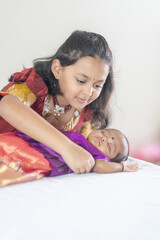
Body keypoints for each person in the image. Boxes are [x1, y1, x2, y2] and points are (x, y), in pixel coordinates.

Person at [0, 30, 114, 174]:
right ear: (57, 69)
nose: (88, 92)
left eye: (97, 85)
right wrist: (66, 147)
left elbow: (88, 151)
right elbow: (6, 105)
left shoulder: (86, 112)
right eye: (81, 81)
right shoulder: (35, 86)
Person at [0, 128, 138, 187]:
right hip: (32, 141)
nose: (103, 139)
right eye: (104, 133)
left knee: (12, 161)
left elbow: (101, 166)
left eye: (109, 147)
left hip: (39, 156)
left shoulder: (95, 155)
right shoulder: (81, 138)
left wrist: (121, 167)